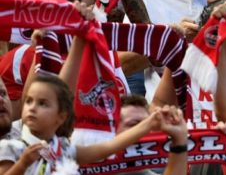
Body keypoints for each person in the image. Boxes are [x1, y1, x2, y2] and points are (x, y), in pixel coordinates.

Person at [0, 75, 188, 174]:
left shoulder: (64, 149)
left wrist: (152, 125)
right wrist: (23, 164)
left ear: (61, 117)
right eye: (29, 101)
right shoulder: (9, 147)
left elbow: (107, 147)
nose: (32, 108)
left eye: (42, 104)